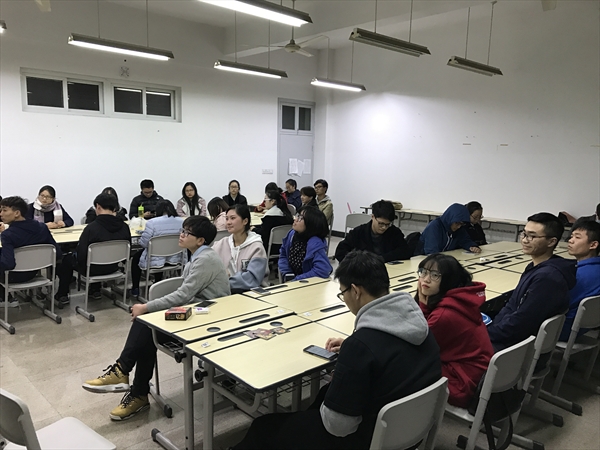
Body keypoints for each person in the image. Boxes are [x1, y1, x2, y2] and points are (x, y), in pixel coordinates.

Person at [233, 250, 441, 450]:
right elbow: (389, 355)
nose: (344, 299)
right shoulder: (417, 325)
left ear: (355, 291)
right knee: (324, 394)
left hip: (368, 439)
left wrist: (354, 351)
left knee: (262, 427)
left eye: (343, 293)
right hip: (411, 432)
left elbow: (338, 427)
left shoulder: (360, 347)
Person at [81, 215, 230, 421]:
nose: (181, 234)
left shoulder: (205, 259)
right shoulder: (197, 256)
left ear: (200, 240)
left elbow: (183, 295)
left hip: (209, 319)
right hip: (196, 312)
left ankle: (126, 377)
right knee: (147, 332)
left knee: (146, 324)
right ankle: (135, 390)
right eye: (182, 230)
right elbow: (185, 296)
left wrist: (146, 306)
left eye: (187, 232)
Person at [487, 213, 576, 352]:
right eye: (524, 234)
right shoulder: (535, 267)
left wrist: (486, 335)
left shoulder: (547, 278)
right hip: (512, 337)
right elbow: (512, 306)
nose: (524, 240)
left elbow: (522, 323)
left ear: (551, 242)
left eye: (532, 236)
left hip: (518, 348)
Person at [415, 253, 493, 407]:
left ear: (448, 279)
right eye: (423, 272)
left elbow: (419, 346)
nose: (426, 279)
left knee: (404, 365)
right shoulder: (461, 299)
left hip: (463, 383)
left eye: (435, 275)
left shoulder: (443, 315)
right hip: (480, 374)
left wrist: (423, 307)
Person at [55, 193, 131, 304]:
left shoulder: (91, 228)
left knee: (66, 260)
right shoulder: (125, 227)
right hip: (114, 267)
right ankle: (95, 290)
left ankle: (63, 294)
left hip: (92, 269)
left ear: (98, 207)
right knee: (96, 258)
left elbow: (82, 255)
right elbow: (128, 251)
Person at [0, 196, 61, 306]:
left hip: (13, 277)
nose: (1, 214)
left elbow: (8, 264)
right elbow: (57, 253)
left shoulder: (7, 235)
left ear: (17, 213)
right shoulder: (42, 228)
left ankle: (5, 299)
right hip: (34, 273)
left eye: (4, 210)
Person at [130, 200, 184, 299]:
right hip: (175, 259)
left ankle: (135, 288)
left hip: (155, 260)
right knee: (160, 253)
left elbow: (144, 243)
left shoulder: (152, 222)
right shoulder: (182, 221)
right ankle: (157, 282)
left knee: (136, 258)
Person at [212, 205, 269, 293]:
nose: (228, 222)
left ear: (245, 221)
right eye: (227, 219)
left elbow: (252, 279)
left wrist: (222, 282)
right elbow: (205, 261)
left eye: (232, 218)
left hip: (252, 293)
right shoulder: (221, 244)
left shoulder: (256, 247)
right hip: (226, 292)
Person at [559, 220, 600, 341]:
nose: (570, 240)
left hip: (563, 329)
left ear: (593, 245)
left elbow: (557, 305)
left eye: (577, 237)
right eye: (571, 236)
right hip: (585, 327)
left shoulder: (578, 275)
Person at [335, 200, 411, 263]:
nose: (384, 227)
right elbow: (340, 252)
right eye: (381, 223)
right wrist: (359, 262)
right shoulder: (358, 232)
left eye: (387, 224)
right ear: (373, 217)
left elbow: (405, 251)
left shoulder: (394, 232)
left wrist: (382, 259)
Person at [279, 207, 332, 281]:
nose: (295, 219)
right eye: (297, 215)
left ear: (310, 224)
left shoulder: (315, 242)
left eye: (300, 218)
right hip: (293, 279)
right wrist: (287, 273)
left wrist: (296, 280)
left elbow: (322, 270)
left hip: (309, 283)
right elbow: (283, 254)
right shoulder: (292, 234)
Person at [416, 203, 480, 255]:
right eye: (457, 223)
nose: (459, 226)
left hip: (443, 259)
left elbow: (465, 241)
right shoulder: (434, 227)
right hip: (423, 260)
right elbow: (431, 252)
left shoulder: (459, 228)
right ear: (450, 219)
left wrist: (472, 246)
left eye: (462, 224)